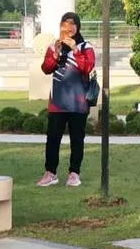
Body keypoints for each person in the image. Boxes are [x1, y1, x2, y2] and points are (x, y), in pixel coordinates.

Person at [37, 13, 96, 187]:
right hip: (57, 103)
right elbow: (46, 68)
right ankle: (50, 173)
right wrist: (55, 54)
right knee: (53, 139)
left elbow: (87, 67)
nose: (67, 28)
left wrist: (75, 50)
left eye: (72, 25)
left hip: (78, 103)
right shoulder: (54, 45)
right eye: (64, 25)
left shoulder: (86, 47)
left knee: (77, 139)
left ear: (78, 27)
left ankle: (74, 173)